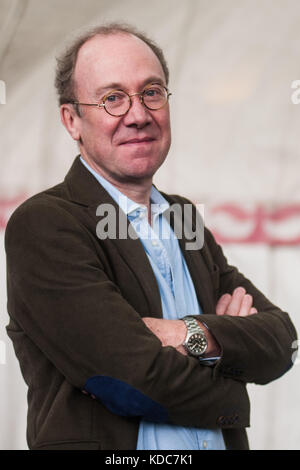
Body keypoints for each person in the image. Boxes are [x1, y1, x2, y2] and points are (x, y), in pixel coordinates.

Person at [5, 23, 297, 451]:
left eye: (152, 92)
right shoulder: (47, 224)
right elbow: (133, 378)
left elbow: (282, 341)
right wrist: (233, 373)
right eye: (112, 99)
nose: (138, 114)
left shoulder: (183, 218)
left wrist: (187, 334)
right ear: (72, 120)